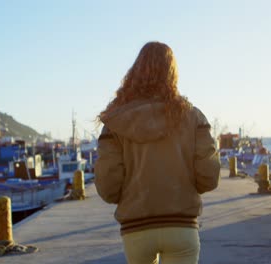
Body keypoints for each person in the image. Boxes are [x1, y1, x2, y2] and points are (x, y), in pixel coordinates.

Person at [94, 41, 220, 264]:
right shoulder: (193, 117)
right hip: (182, 225)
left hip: (136, 228)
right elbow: (209, 177)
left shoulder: (116, 121)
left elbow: (107, 185)